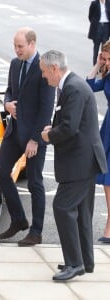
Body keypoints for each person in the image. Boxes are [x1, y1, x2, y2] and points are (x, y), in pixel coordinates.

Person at [40, 50, 107, 281]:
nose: (44, 76)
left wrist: (49, 135)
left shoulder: (74, 88)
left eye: (44, 71)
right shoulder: (70, 85)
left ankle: (74, 263)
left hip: (80, 163)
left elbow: (69, 127)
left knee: (62, 207)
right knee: (81, 214)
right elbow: (69, 121)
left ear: (54, 68)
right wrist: (53, 128)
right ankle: (84, 261)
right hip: (83, 161)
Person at [0, 27, 55, 246]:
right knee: (1, 173)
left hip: (33, 136)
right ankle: (19, 220)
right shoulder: (14, 63)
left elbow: (47, 108)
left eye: (20, 46)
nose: (16, 50)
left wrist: (35, 140)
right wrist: (7, 104)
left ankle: (36, 232)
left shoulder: (44, 68)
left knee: (35, 183)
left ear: (32, 44)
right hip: (14, 131)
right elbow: (9, 91)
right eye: (15, 45)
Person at [87, 40, 110, 243]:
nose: (107, 62)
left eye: (109, 59)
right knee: (107, 178)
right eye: (105, 58)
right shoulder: (107, 74)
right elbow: (88, 86)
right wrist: (97, 64)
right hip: (108, 129)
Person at [88, 0, 110, 65]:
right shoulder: (94, 3)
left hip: (106, 27)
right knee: (96, 48)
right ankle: (95, 64)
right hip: (97, 27)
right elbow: (90, 16)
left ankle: (103, 65)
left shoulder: (109, 3)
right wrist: (95, 23)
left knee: (104, 48)